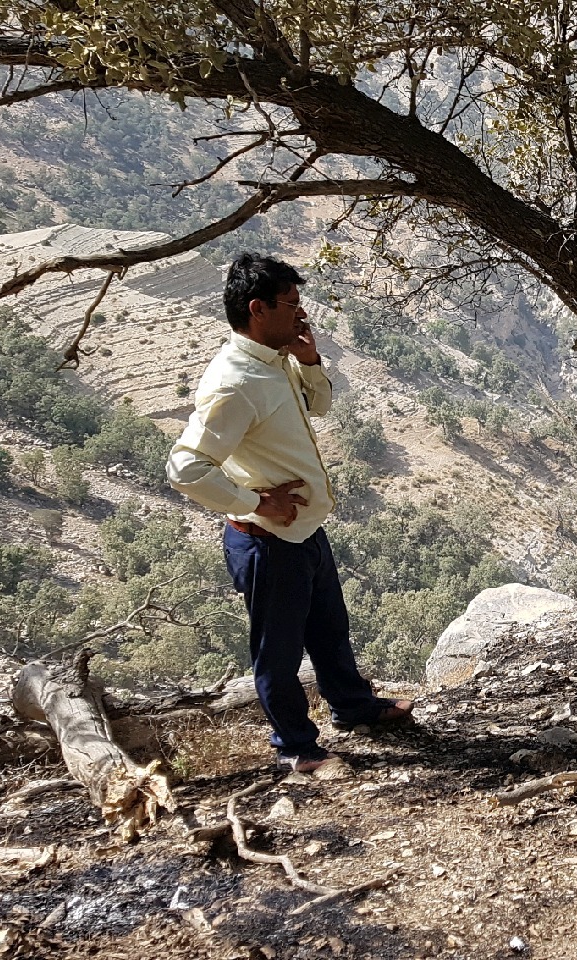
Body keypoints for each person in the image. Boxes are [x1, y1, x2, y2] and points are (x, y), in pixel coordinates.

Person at [168, 253, 411, 773]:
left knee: (328, 628)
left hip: (302, 528)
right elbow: (185, 469)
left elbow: (318, 408)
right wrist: (257, 503)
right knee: (277, 651)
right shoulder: (235, 383)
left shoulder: (275, 360)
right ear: (258, 309)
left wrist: (310, 362)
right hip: (267, 538)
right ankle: (298, 748)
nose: (302, 315)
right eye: (291, 305)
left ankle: (353, 707)